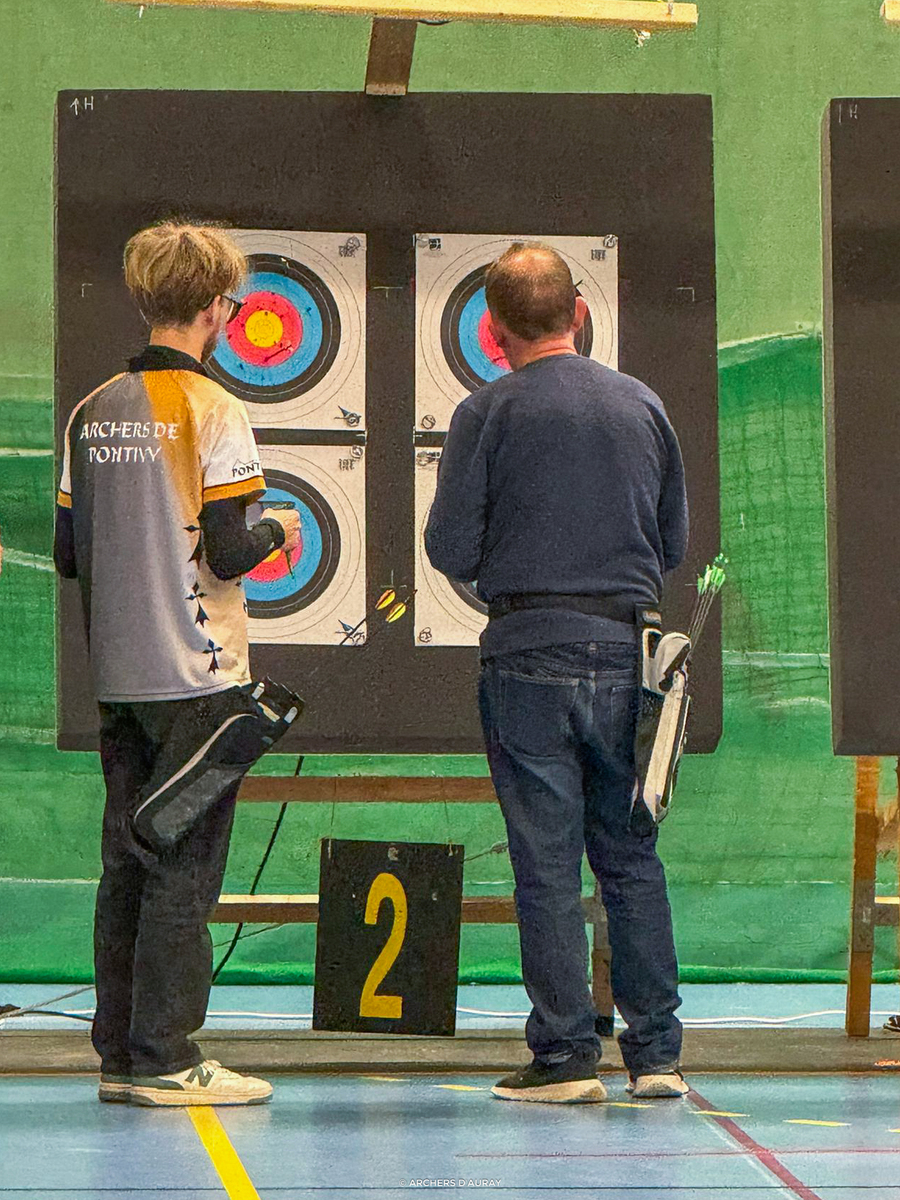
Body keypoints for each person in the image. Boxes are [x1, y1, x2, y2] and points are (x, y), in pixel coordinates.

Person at [425, 243, 689, 1104]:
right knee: (631, 858)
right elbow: (672, 544)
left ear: (492, 331)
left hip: (526, 652)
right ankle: (657, 1058)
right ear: (578, 313)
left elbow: (449, 547)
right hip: (627, 655)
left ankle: (568, 1059)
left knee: (546, 865)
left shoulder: (485, 412)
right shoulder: (642, 404)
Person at [54, 222, 301, 1107]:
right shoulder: (215, 409)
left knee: (127, 860)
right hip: (199, 679)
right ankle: (166, 1055)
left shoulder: (93, 408)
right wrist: (282, 530)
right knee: (184, 867)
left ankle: (121, 1054)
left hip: (119, 680)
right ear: (218, 310)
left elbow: (69, 553)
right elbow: (229, 552)